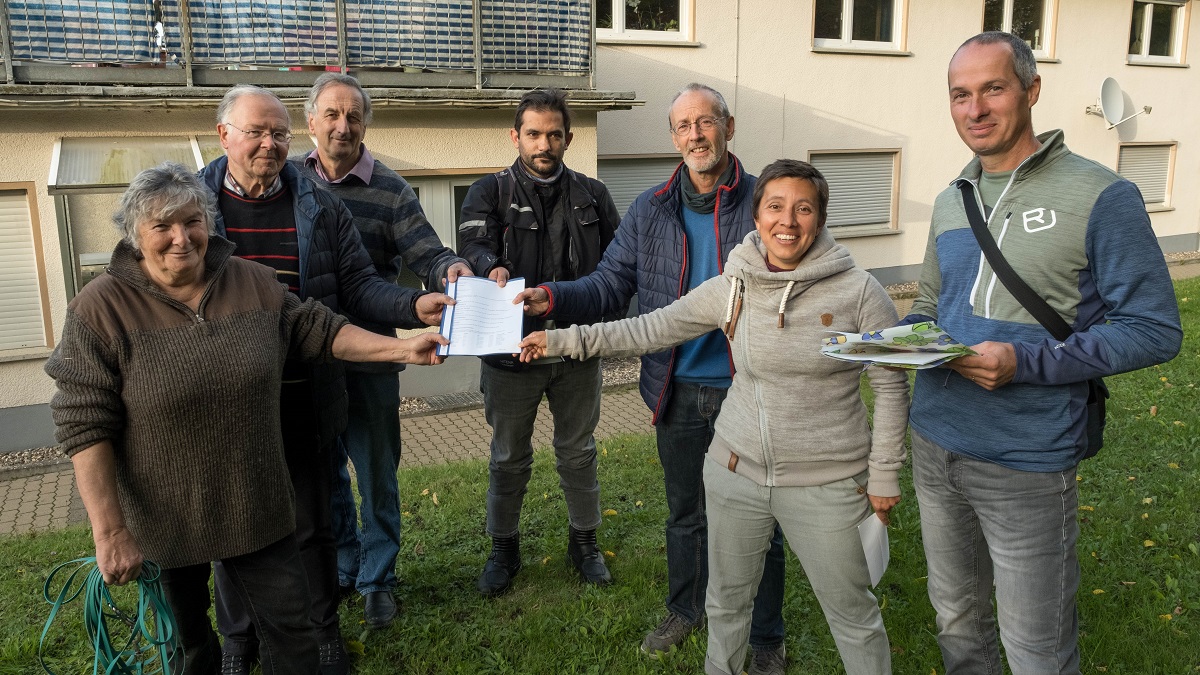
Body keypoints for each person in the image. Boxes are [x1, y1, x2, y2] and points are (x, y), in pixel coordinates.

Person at [44, 163, 447, 675]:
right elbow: (84, 425)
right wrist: (109, 532)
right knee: (187, 648)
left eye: (191, 221)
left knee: (294, 639)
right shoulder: (99, 310)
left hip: (255, 502)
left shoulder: (252, 282)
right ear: (133, 236)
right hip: (164, 517)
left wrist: (402, 348)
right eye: (161, 227)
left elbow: (319, 330)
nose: (180, 238)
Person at [519, 159, 907, 675]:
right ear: (757, 214)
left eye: (803, 208)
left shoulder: (859, 291)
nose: (787, 221)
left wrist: (883, 473)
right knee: (726, 606)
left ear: (820, 218)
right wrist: (565, 339)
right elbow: (649, 328)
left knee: (853, 616)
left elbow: (890, 380)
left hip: (828, 481)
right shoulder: (735, 285)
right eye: (775, 206)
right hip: (734, 473)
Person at [904, 32, 1183, 674]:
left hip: (1026, 460)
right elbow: (929, 309)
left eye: (992, 89)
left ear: (1031, 91)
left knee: (1037, 651)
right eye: (960, 95)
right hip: (935, 442)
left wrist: (1027, 362)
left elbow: (1154, 328)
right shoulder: (953, 198)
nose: (975, 109)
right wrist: (889, 340)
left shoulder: (1102, 195)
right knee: (957, 625)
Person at [512, 83, 788, 672]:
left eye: (706, 122)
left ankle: (765, 635)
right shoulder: (650, 209)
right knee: (685, 512)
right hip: (678, 389)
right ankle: (686, 609)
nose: (696, 135)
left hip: (752, 388)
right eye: (683, 126)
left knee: (762, 517)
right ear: (673, 137)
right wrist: (551, 297)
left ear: (729, 127)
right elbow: (610, 284)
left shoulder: (766, 199)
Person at [200, 84, 452, 675]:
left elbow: (359, 286)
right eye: (256, 131)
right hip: (226, 401)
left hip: (307, 391)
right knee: (234, 526)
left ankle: (324, 634)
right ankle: (238, 643)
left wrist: (413, 308)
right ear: (224, 135)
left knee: (315, 521)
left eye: (278, 134)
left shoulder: (318, 203)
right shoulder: (189, 202)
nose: (269, 144)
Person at [293, 72, 473, 629]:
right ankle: (344, 565)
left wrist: (452, 271)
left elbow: (427, 250)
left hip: (372, 358)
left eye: (353, 116)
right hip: (307, 359)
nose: (343, 126)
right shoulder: (290, 183)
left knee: (376, 475)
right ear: (311, 122)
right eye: (332, 114)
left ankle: (378, 579)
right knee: (324, 474)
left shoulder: (391, 189)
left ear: (365, 123)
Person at [456, 88, 621, 597]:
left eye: (554, 134)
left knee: (578, 451)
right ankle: (503, 548)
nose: (543, 143)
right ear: (515, 136)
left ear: (569, 138)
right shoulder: (487, 192)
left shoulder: (594, 194)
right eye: (533, 133)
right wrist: (490, 267)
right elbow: (474, 247)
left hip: (574, 350)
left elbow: (618, 267)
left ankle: (585, 542)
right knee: (508, 456)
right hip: (509, 358)